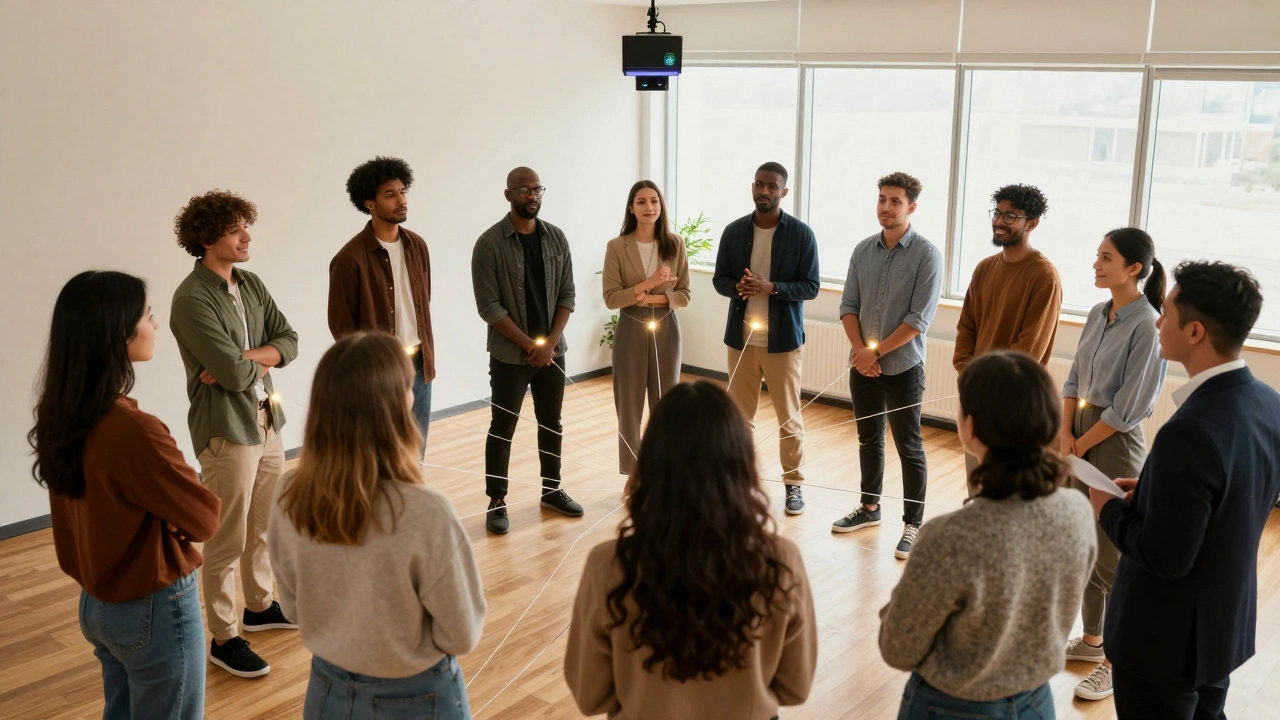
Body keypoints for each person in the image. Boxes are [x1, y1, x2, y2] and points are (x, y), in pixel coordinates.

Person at [1089, 261, 1280, 720]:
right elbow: (1233, 495)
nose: (1157, 322)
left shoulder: (1190, 431)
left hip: (1164, 643)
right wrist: (1157, 489)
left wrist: (1107, 508)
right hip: (1221, 627)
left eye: (1168, 313)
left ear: (1195, 332)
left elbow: (1165, 557)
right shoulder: (1268, 402)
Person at [30, 271, 221, 720]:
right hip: (152, 607)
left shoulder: (61, 412)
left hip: (97, 604)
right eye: (148, 316)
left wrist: (167, 510)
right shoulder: (133, 429)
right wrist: (170, 514)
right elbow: (204, 518)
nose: (154, 325)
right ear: (118, 333)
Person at [565, 381, 817, 719]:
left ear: (650, 464)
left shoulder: (608, 564)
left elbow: (590, 695)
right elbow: (795, 686)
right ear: (741, 463)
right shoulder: (781, 559)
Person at [269, 332, 486, 720]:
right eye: (407, 387)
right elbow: (462, 633)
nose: (413, 396)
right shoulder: (426, 511)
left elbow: (293, 608)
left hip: (326, 691)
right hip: (419, 697)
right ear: (393, 407)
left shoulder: (288, 493)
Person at [879, 350, 1097, 720]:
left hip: (948, 707)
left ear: (970, 427)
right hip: (1037, 704)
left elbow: (897, 648)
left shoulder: (949, 537)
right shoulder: (1077, 511)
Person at [170, 190, 300, 678]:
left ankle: (259, 606)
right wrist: (252, 360)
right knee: (228, 536)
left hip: (268, 420)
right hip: (226, 428)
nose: (247, 237)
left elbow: (290, 340)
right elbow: (231, 374)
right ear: (208, 238)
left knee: (263, 525)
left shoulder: (251, 283)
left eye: (247, 226)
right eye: (235, 229)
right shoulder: (190, 299)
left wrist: (246, 357)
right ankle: (224, 637)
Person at [1058, 228, 1167, 702]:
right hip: (1079, 432)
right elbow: (1073, 376)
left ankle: (1118, 662)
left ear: (1134, 268)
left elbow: (1128, 409)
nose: (1096, 265)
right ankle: (1092, 640)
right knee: (1083, 543)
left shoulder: (1148, 324)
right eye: (1097, 256)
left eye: (1106, 258)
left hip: (1113, 441)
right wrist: (1066, 433)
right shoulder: (1097, 313)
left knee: (1113, 553)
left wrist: (1080, 444)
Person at [831, 172, 943, 559]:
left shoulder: (927, 254)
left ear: (912, 207)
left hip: (903, 367)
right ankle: (869, 507)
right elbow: (848, 305)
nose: (886, 207)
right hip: (862, 364)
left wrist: (874, 353)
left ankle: (914, 523)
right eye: (882, 199)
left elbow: (918, 319)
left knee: (909, 446)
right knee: (869, 439)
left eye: (895, 201)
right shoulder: (863, 250)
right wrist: (860, 351)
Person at [471, 167, 582, 535]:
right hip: (510, 355)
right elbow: (489, 307)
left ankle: (552, 489)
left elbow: (567, 294)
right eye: (524, 190)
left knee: (552, 422)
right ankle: (497, 500)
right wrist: (531, 345)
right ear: (508, 195)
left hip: (552, 352)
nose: (532, 195)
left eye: (537, 189)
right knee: (503, 426)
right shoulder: (489, 244)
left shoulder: (556, 238)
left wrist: (549, 344)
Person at [712, 162, 820, 515]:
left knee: (789, 417)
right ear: (752, 187)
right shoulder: (734, 232)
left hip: (783, 342)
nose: (764, 191)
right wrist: (738, 287)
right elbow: (719, 280)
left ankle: (794, 484)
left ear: (783, 191)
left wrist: (771, 287)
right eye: (759, 184)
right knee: (740, 419)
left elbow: (811, 287)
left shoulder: (801, 235)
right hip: (741, 340)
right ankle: (739, 483)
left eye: (772, 186)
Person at [953, 184, 1062, 494]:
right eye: (997, 213)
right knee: (978, 487)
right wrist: (968, 374)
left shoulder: (1044, 275)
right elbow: (967, 328)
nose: (999, 221)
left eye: (1010, 216)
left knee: (1010, 492)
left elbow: (1029, 348)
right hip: (977, 395)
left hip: (1014, 404)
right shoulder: (984, 268)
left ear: (1032, 223)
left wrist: (987, 384)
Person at [329, 156, 435, 457]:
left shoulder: (417, 246)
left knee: (415, 453)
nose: (401, 200)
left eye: (403, 191)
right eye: (390, 194)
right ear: (369, 203)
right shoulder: (349, 259)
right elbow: (342, 328)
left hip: (419, 364)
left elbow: (424, 302)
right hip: (378, 370)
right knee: (380, 455)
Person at [602, 180, 691, 475]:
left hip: (666, 327)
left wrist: (647, 297)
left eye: (654, 201)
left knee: (666, 405)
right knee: (628, 405)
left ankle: (665, 472)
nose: (649, 207)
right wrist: (649, 284)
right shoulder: (617, 246)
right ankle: (633, 475)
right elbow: (611, 298)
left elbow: (685, 295)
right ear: (631, 207)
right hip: (630, 328)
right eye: (641, 201)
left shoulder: (675, 244)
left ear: (661, 206)